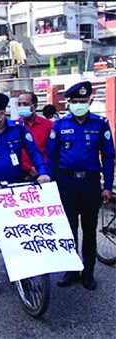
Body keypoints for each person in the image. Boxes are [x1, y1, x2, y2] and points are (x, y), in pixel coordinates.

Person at [0, 92, 50, 300]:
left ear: (2, 113)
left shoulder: (18, 129)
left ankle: (26, 267)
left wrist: (42, 172)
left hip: (18, 187)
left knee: (25, 228)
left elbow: (33, 151)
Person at [47, 80, 115, 291]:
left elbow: (109, 155)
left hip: (90, 182)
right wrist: (50, 184)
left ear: (90, 101)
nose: (78, 104)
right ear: (69, 102)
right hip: (65, 182)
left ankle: (88, 272)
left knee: (89, 228)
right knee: (68, 229)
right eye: (74, 101)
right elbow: (51, 155)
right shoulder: (60, 125)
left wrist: (108, 186)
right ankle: (71, 270)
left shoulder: (100, 124)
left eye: (82, 101)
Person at [17, 91, 53, 181]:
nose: (22, 107)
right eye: (19, 104)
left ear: (35, 106)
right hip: (21, 173)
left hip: (44, 174)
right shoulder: (15, 127)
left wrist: (42, 169)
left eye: (25, 104)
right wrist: (29, 168)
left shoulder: (48, 125)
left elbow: (52, 151)